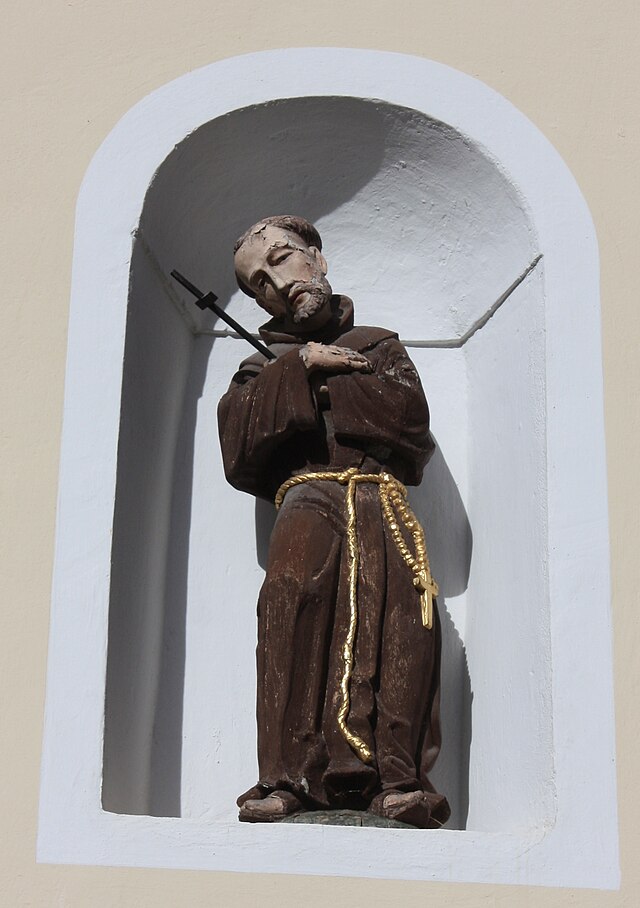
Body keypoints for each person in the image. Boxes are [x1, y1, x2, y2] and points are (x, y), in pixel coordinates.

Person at [217, 215, 450, 828]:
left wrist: (323, 384)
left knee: (404, 617)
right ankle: (285, 776)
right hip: (309, 495)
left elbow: (411, 426)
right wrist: (296, 371)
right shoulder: (260, 368)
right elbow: (237, 448)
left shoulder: (378, 344)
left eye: (284, 257)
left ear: (317, 258)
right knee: (289, 596)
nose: (276, 282)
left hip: (379, 496)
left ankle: (400, 777)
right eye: (257, 283)